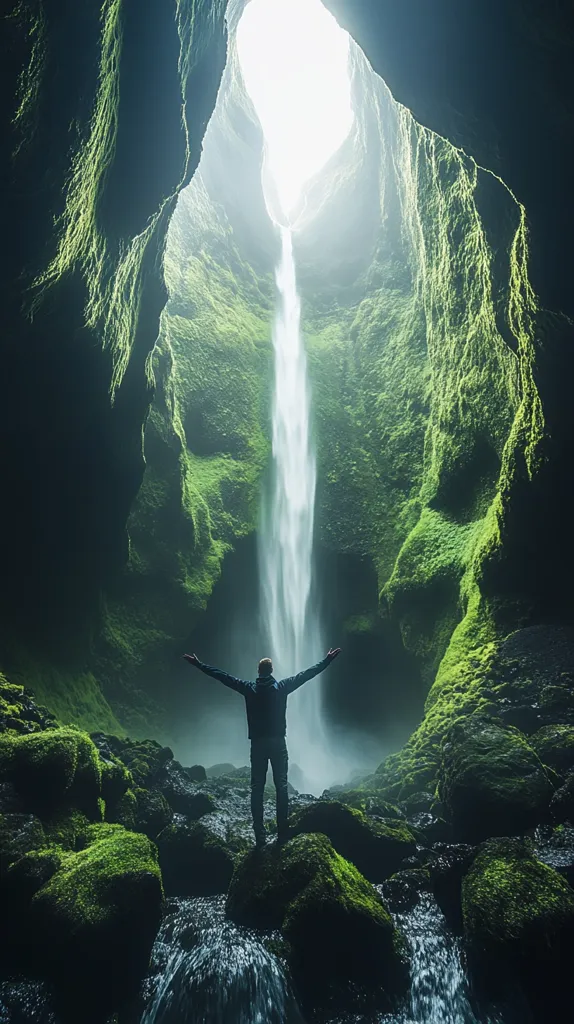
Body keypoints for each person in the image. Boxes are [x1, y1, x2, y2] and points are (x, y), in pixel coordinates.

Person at [183, 648, 342, 846]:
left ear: (258, 672)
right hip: (278, 742)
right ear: (272, 670)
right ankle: (282, 831)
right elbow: (306, 675)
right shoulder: (282, 686)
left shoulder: (248, 688)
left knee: (257, 788)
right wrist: (327, 660)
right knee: (281, 786)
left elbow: (223, 677)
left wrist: (199, 665)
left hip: (258, 744)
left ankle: (260, 835)